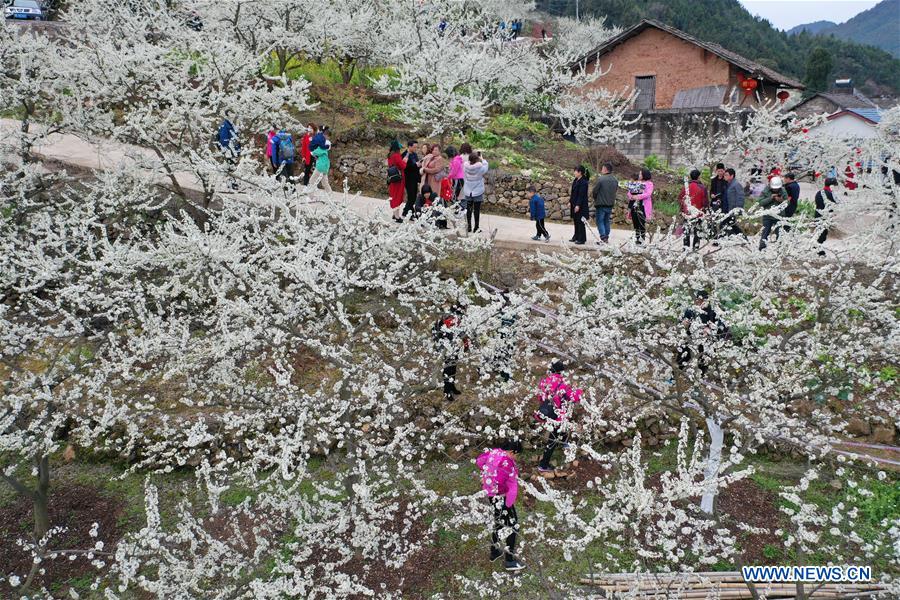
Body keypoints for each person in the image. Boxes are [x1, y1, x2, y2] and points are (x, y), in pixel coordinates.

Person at [476, 440, 526, 572]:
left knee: (499, 522)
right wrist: (505, 495)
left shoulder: (494, 452)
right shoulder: (506, 462)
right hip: (501, 496)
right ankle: (510, 561)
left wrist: (487, 476)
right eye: (517, 455)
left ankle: (494, 551)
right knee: (513, 526)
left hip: (492, 495)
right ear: (512, 452)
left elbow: (480, 461)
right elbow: (503, 482)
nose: (516, 458)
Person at [534, 361, 582, 473]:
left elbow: (540, 397)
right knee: (553, 439)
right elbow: (573, 397)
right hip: (558, 416)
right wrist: (579, 390)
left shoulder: (544, 381)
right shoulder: (563, 384)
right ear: (562, 371)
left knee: (562, 427)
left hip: (546, 412)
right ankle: (543, 465)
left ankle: (565, 443)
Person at [676, 290, 729, 375]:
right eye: (697, 300)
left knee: (703, 361)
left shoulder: (713, 312)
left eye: (701, 300)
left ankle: (700, 377)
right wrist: (684, 324)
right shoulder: (691, 310)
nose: (699, 302)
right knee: (683, 356)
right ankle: (675, 375)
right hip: (691, 337)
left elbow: (720, 326)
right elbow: (684, 322)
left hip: (707, 341)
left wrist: (710, 330)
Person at [433, 304, 468, 401]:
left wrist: (465, 344)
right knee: (448, 369)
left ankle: (451, 387)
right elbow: (457, 333)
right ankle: (447, 390)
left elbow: (461, 332)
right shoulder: (450, 319)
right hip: (447, 348)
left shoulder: (456, 318)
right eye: (464, 309)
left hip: (454, 347)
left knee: (453, 368)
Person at [678, 169, 708, 250]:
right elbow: (705, 201)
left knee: (686, 230)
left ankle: (685, 248)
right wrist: (705, 211)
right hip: (698, 212)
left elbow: (680, 198)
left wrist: (682, 209)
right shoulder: (702, 187)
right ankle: (695, 248)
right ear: (699, 177)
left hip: (687, 212)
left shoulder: (686, 186)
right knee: (697, 231)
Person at [757, 176, 788, 250]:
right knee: (765, 232)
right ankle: (762, 247)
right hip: (768, 215)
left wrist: (780, 200)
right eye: (774, 189)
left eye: (777, 189)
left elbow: (787, 203)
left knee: (779, 233)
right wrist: (770, 198)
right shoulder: (766, 191)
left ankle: (780, 249)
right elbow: (760, 202)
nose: (775, 190)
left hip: (779, 216)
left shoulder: (783, 190)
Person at [626, 168, 653, 245]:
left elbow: (648, 194)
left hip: (643, 206)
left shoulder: (649, 184)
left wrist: (637, 196)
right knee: (635, 222)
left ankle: (642, 239)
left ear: (644, 175)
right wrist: (631, 196)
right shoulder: (638, 183)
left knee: (641, 222)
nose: (639, 175)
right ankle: (637, 238)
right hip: (635, 205)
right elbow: (630, 192)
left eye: (640, 174)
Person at [591, 162, 617, 244]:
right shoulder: (615, 180)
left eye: (602, 169)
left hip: (601, 204)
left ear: (605, 169)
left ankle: (603, 237)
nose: (601, 170)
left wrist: (596, 198)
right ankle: (606, 237)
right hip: (610, 204)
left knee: (600, 221)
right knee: (606, 221)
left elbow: (595, 191)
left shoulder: (601, 179)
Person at [463, 153, 489, 233]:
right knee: (476, 210)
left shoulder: (465, 167)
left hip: (468, 190)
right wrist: (482, 159)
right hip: (477, 190)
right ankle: (476, 227)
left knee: (469, 209)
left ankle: (469, 227)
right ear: (477, 159)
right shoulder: (480, 168)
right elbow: (486, 167)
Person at [814, 177, 838, 255]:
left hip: (818, 214)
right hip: (825, 216)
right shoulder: (830, 194)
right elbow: (835, 204)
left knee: (820, 232)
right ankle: (818, 249)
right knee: (822, 234)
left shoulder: (819, 192)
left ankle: (816, 246)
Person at [721, 168, 747, 239]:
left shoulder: (736, 184)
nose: (724, 177)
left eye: (726, 175)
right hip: (726, 208)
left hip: (732, 209)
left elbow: (741, 197)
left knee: (727, 224)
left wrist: (738, 208)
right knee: (731, 224)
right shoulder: (728, 184)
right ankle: (743, 238)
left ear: (732, 176)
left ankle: (722, 240)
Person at [307, 132, 332, 198]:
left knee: (312, 180)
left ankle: (310, 197)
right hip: (325, 167)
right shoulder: (325, 149)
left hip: (320, 167)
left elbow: (313, 152)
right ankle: (330, 196)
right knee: (324, 182)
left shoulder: (321, 148)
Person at [387, 140, 407, 223]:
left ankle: (394, 213)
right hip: (399, 178)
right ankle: (397, 216)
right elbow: (402, 166)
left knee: (393, 195)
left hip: (392, 177)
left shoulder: (390, 155)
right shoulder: (397, 155)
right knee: (398, 196)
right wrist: (405, 161)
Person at [569, 165, 589, 245]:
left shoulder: (584, 182)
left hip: (581, 205)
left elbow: (581, 195)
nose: (574, 173)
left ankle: (582, 239)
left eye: (575, 171)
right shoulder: (575, 180)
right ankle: (576, 236)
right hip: (574, 203)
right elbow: (573, 193)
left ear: (580, 172)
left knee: (580, 222)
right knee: (576, 221)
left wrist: (578, 205)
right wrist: (570, 201)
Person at [401, 141, 421, 219]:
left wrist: (418, 164)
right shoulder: (404, 154)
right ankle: (410, 213)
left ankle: (406, 211)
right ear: (409, 146)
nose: (415, 149)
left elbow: (416, 164)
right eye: (414, 147)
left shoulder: (415, 154)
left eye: (416, 147)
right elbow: (404, 167)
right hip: (408, 178)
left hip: (415, 178)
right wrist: (415, 165)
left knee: (413, 196)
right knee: (411, 196)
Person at [709, 163, 727, 236]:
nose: (720, 172)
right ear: (716, 171)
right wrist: (711, 194)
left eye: (721, 171)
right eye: (718, 171)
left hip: (723, 202)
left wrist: (721, 199)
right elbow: (711, 190)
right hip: (714, 202)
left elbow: (726, 192)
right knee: (713, 219)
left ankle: (722, 235)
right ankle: (714, 235)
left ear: (724, 171)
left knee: (723, 219)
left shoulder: (726, 180)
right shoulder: (713, 180)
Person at [455, 143, 472, 211]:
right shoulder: (471, 157)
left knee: (459, 193)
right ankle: (466, 209)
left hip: (461, 178)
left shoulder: (460, 157)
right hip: (469, 179)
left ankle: (459, 208)